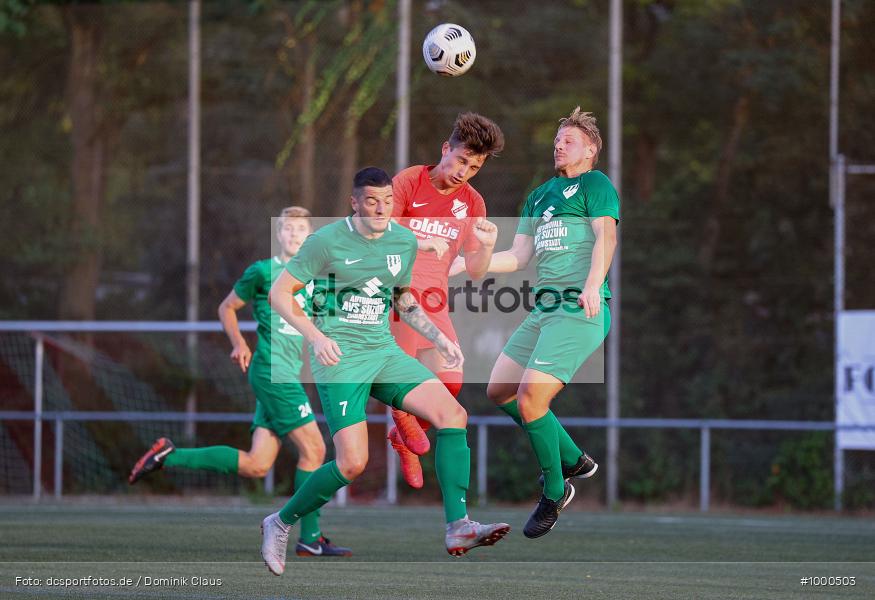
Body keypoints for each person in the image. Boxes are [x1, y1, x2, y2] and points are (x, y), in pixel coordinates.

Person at [260, 167, 509, 576]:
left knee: (453, 415)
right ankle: (280, 522)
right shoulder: (324, 241)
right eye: (372, 201)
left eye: (388, 201)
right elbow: (280, 293)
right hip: (341, 361)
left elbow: (403, 299)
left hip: (384, 353)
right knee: (352, 463)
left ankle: (459, 526)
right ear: (354, 202)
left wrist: (439, 338)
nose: (381, 209)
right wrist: (316, 337)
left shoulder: (402, 239)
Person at [128, 206, 351, 558]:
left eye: (300, 229)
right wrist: (238, 343)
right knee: (315, 450)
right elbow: (226, 307)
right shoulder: (263, 272)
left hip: (288, 375)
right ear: (279, 234)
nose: (293, 234)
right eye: (287, 229)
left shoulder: (315, 276)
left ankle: (169, 456)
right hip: (271, 371)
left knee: (257, 463)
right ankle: (310, 536)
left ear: (309, 234)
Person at [476, 107, 619, 538]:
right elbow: (517, 258)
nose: (559, 145)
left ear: (591, 149)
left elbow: (606, 236)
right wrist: (471, 262)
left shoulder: (594, 184)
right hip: (543, 310)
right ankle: (573, 457)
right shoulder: (539, 196)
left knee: (530, 401)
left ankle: (555, 491)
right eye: (557, 139)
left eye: (569, 140)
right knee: (498, 390)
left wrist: (593, 284)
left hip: (579, 309)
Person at [387, 112, 504, 488]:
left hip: (436, 301)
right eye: (460, 160)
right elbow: (381, 233)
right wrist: (418, 242)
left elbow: (475, 270)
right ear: (445, 149)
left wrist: (485, 246)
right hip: (395, 292)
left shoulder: (472, 202)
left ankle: (401, 435)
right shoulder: (409, 181)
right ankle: (402, 420)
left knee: (450, 384)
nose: (463, 172)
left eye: (474, 167)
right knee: (403, 375)